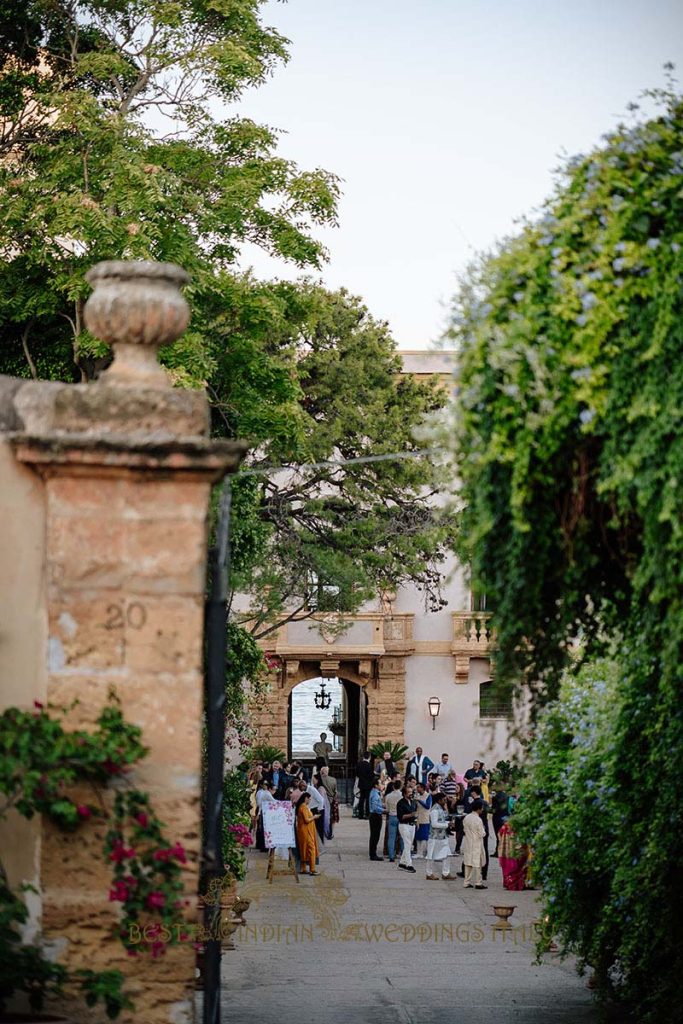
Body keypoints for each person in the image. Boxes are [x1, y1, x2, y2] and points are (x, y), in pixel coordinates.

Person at [425, 793, 454, 880]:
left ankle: (446, 873)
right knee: (431, 856)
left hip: (443, 836)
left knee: (447, 855)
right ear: (439, 800)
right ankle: (429, 873)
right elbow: (434, 824)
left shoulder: (441, 809)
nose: (445, 801)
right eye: (444, 800)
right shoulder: (434, 810)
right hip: (434, 837)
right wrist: (447, 825)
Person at [498, 818, 530, 891]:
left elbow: (499, 835)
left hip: (506, 852)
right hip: (517, 851)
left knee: (507, 868)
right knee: (518, 867)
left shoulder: (505, 826)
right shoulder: (520, 827)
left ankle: (508, 883)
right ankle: (517, 884)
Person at [462, 798, 487, 889]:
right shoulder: (478, 820)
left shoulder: (466, 817)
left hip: (468, 842)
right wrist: (484, 830)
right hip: (477, 843)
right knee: (478, 863)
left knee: (468, 862)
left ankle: (466, 882)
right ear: (479, 809)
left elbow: (464, 829)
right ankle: (478, 882)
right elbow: (482, 833)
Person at [296, 792, 319, 875]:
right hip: (306, 831)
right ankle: (312, 869)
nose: (310, 800)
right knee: (311, 849)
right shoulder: (304, 807)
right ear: (306, 798)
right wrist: (314, 817)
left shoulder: (302, 807)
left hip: (303, 831)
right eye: (309, 799)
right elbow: (307, 820)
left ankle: (303, 868)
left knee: (304, 849)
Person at [396, 785, 418, 872]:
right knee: (407, 844)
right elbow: (400, 817)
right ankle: (409, 864)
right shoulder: (400, 803)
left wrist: (416, 821)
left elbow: (415, 812)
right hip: (404, 825)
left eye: (411, 792)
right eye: (408, 792)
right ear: (404, 794)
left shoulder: (413, 802)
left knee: (408, 844)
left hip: (412, 824)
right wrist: (411, 815)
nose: (410, 794)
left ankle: (402, 863)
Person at [318, 765, 339, 839]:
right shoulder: (333, 779)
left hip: (324, 800)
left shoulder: (320, 779)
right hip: (332, 800)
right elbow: (336, 791)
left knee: (325, 817)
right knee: (333, 817)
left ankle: (325, 832)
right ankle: (331, 833)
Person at [384, 779, 403, 862]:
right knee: (402, 836)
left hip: (392, 816)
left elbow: (387, 808)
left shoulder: (388, 796)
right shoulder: (402, 795)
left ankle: (391, 855)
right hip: (401, 816)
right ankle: (403, 853)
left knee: (391, 837)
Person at [414, 782, 432, 858]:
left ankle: (423, 852)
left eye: (418, 787)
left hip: (425, 818)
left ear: (422, 788)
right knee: (418, 836)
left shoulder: (428, 796)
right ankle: (418, 852)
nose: (417, 789)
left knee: (424, 836)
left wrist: (419, 801)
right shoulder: (417, 795)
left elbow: (427, 806)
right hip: (418, 817)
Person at [368, 779, 385, 861]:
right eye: (380, 784)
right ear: (376, 785)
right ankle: (373, 854)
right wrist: (384, 810)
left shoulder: (375, 793)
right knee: (375, 835)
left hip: (375, 815)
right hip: (375, 815)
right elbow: (375, 807)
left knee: (375, 835)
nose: (381, 785)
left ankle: (373, 853)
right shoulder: (375, 794)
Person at [356, 752, 375, 820]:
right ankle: (367, 814)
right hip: (368, 784)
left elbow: (357, 774)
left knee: (361, 799)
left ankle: (360, 814)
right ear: (369, 757)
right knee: (367, 800)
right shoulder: (369, 765)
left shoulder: (359, 764)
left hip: (361, 784)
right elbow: (371, 775)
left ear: (363, 757)